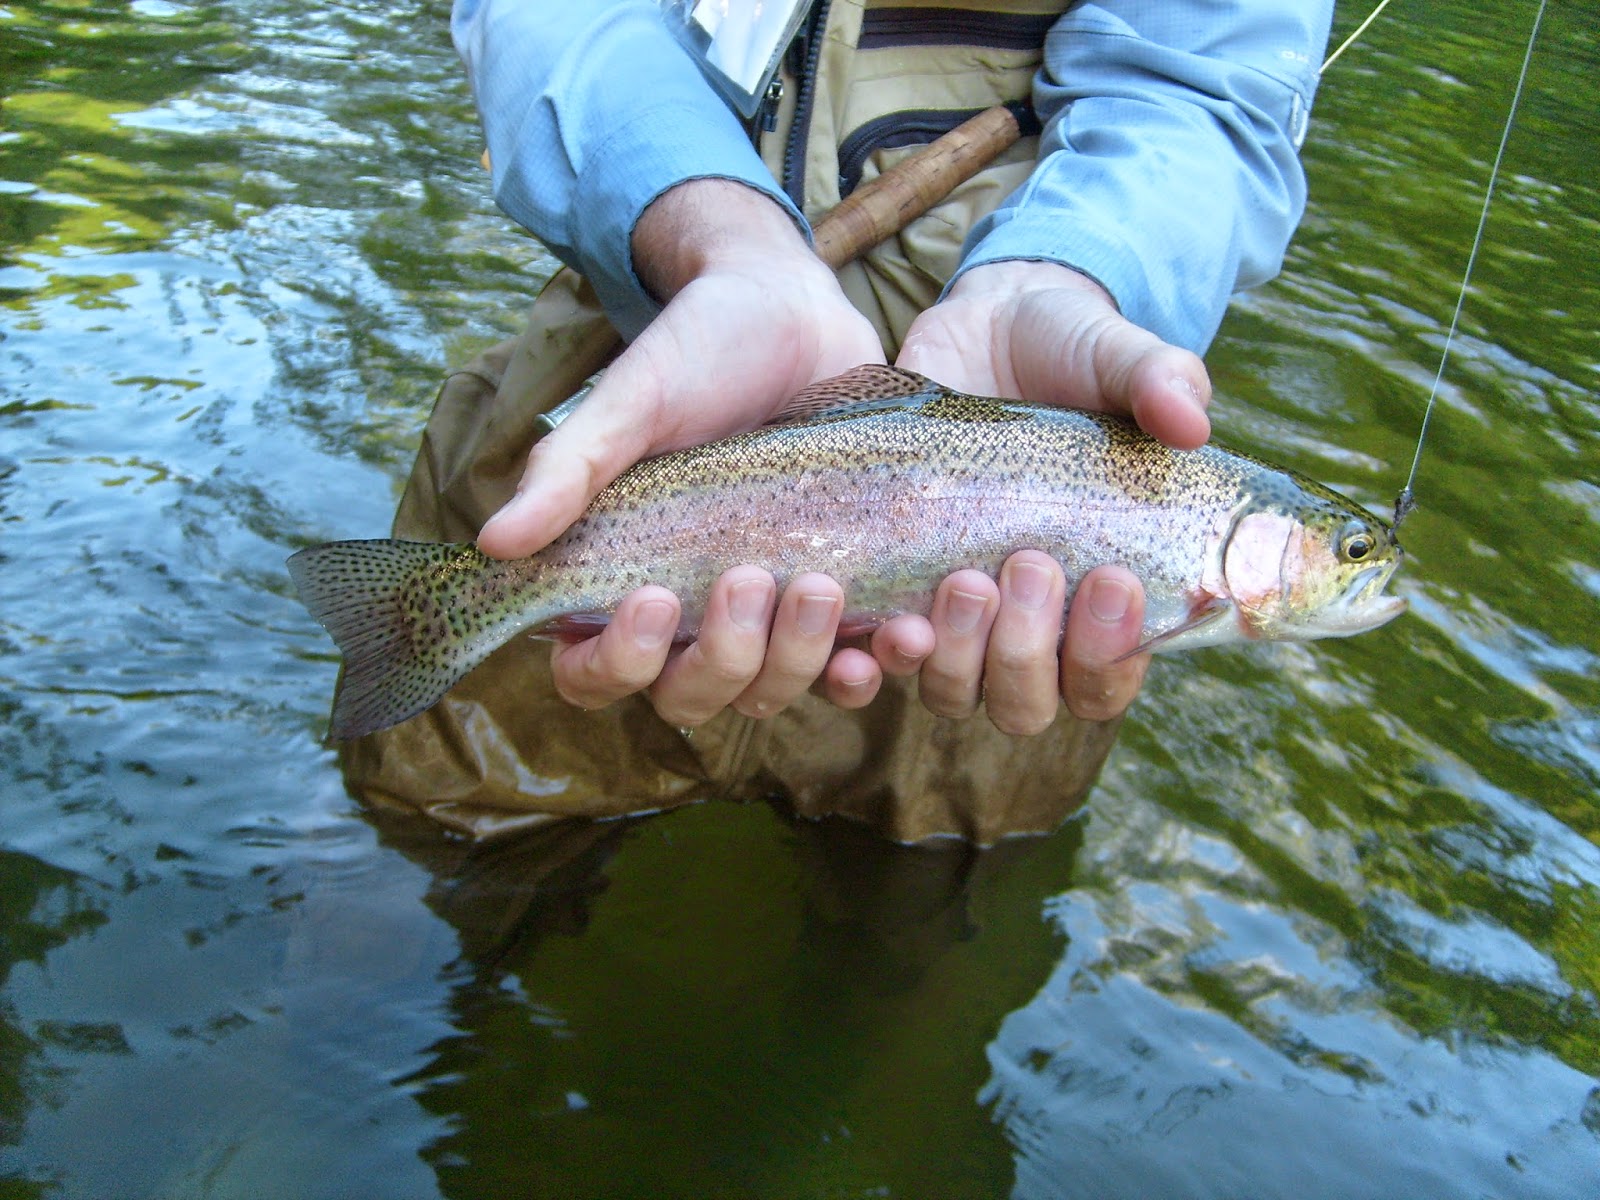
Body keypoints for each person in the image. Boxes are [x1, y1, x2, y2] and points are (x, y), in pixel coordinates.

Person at [341, 0, 1334, 844]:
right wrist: (705, 230)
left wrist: (1085, 263)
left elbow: (1205, 84)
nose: (1353, 564)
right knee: (436, 844)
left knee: (913, 938)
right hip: (653, 350)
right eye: (1347, 548)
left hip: (1016, 526)